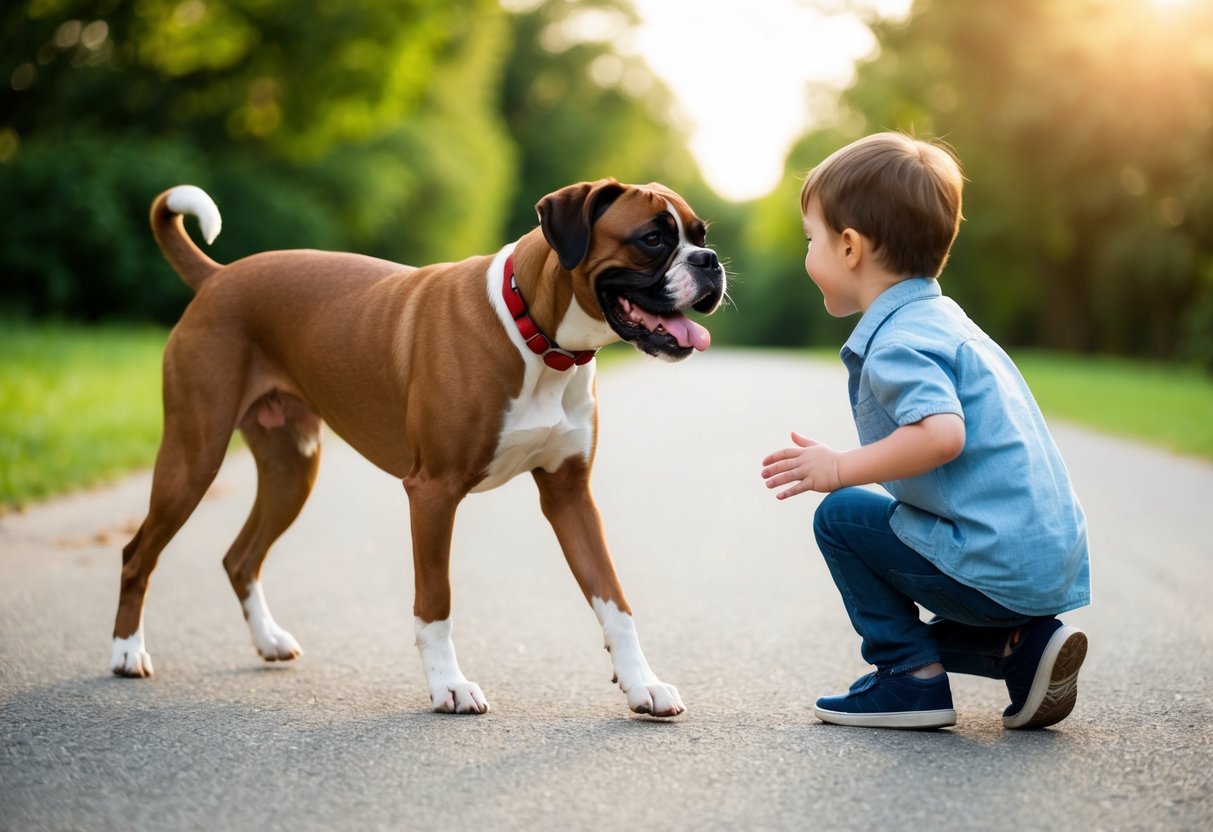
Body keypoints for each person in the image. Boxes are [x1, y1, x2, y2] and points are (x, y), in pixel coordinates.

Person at [760, 132, 1090, 730]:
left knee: (840, 516)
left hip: (995, 561)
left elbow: (942, 435)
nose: (808, 256)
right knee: (898, 537)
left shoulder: (897, 342)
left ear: (850, 247)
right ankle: (1024, 648)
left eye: (812, 240)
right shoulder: (946, 321)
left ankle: (908, 677)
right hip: (1040, 564)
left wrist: (838, 469)